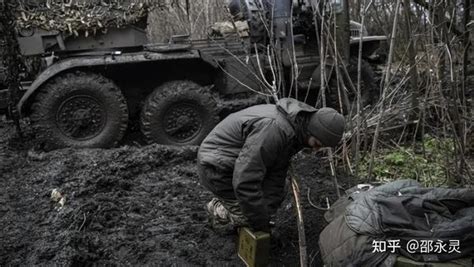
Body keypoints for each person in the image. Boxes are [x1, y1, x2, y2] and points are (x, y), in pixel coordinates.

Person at [197, 98, 345, 232]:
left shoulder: (297, 130)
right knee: (246, 219)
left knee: (277, 192)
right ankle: (218, 209)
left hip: (234, 162)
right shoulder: (275, 130)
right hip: (216, 166)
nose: (316, 149)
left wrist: (267, 215)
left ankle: (237, 208)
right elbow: (245, 179)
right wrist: (258, 221)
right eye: (317, 143)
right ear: (313, 131)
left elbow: (276, 173)